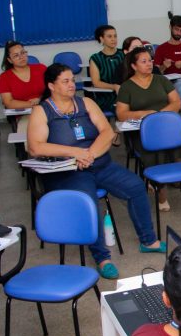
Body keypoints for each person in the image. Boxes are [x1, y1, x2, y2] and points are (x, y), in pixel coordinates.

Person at [27, 63, 166, 280]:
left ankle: (148, 240)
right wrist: (75, 153)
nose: (72, 84)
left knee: (136, 186)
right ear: (51, 86)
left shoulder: (85, 103)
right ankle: (102, 257)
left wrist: (88, 154)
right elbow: (36, 147)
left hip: (99, 164)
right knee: (90, 202)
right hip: (67, 172)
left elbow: (107, 132)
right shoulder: (42, 110)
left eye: (72, 79)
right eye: (65, 81)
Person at [116, 48, 181, 211]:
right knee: (155, 152)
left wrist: (158, 116)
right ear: (134, 66)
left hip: (165, 126)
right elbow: (121, 114)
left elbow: (176, 102)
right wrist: (143, 114)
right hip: (142, 132)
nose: (149, 64)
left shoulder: (161, 80)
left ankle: (169, 177)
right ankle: (161, 191)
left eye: (150, 60)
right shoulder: (127, 87)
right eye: (144, 61)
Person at [0, 40, 48, 136]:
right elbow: (8, 102)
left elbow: (53, 88)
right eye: (16, 55)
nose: (21, 57)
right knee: (34, 134)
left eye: (23, 53)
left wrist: (40, 100)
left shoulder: (41, 68)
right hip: (26, 114)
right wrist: (32, 104)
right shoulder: (5, 77)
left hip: (48, 110)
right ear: (9, 60)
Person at [88, 24, 126, 113]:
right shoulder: (95, 58)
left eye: (115, 36)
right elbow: (96, 82)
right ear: (101, 39)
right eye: (109, 36)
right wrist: (114, 87)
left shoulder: (123, 53)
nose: (113, 39)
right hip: (106, 96)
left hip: (126, 93)